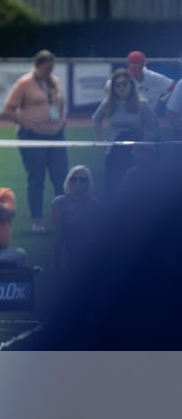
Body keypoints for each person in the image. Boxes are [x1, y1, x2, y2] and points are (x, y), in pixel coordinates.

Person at [0, 50, 68, 234]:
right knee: (36, 178)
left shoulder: (55, 81)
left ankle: (64, 216)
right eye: (46, 68)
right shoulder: (24, 83)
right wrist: (28, 125)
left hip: (56, 134)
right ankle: (36, 219)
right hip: (32, 136)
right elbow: (8, 109)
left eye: (51, 68)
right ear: (37, 66)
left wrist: (61, 121)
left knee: (61, 175)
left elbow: (61, 105)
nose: (49, 71)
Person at [90, 67, 155, 195]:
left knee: (135, 191)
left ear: (131, 84)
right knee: (113, 188)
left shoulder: (142, 103)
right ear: (113, 88)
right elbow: (96, 119)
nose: (121, 88)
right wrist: (102, 140)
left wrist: (145, 144)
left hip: (135, 153)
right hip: (113, 151)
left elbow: (152, 127)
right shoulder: (108, 103)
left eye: (124, 84)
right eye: (117, 85)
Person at [51, 166, 101, 273]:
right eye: (74, 179)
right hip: (68, 254)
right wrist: (57, 262)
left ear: (88, 183)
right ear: (69, 182)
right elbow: (59, 235)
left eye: (82, 180)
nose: (78, 182)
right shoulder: (59, 203)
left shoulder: (96, 206)